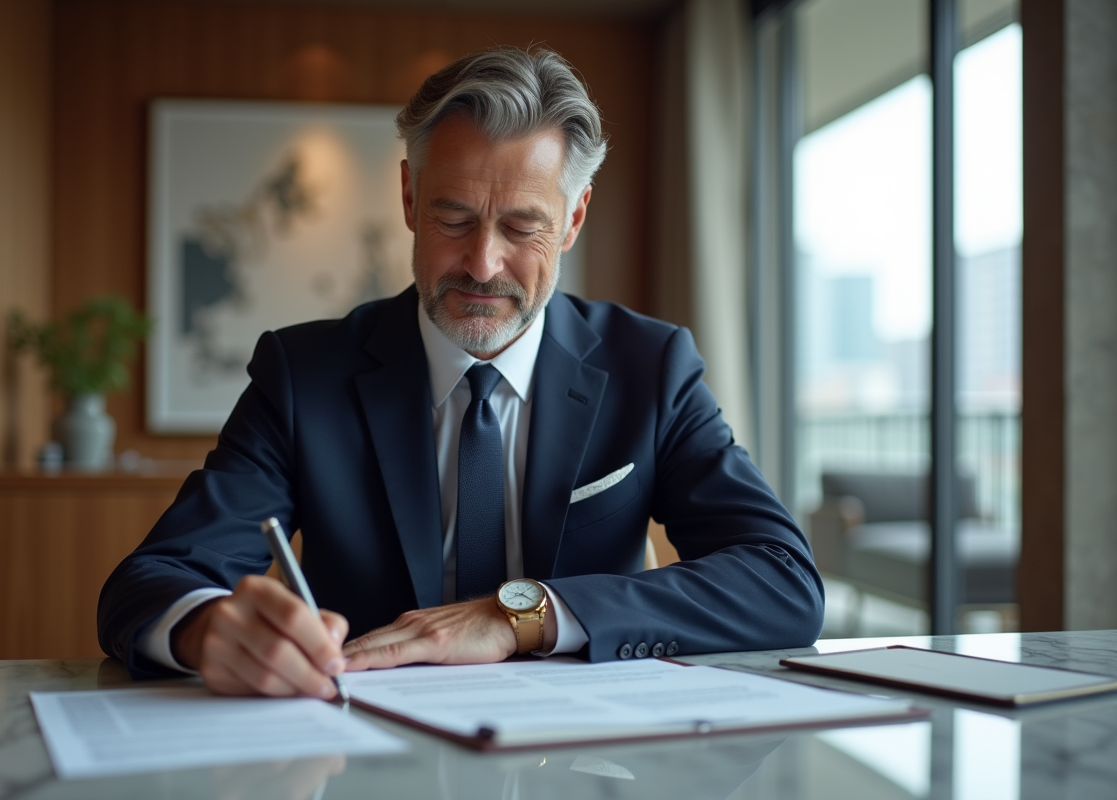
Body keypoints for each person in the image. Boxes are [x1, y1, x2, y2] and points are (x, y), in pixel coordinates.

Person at [97, 46, 824, 700]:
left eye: (522, 227)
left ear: (573, 220)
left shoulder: (651, 367)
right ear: (410, 198)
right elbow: (153, 580)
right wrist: (209, 629)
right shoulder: (302, 376)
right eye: (453, 219)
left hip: (588, 756)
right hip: (365, 750)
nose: (481, 264)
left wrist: (519, 616)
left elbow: (782, 579)